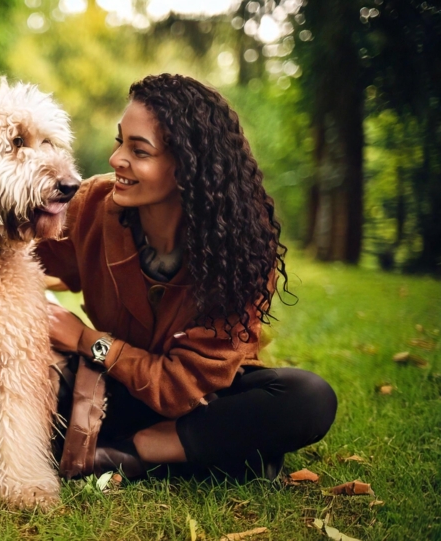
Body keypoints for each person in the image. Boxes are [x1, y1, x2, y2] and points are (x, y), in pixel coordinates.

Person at [36, 73, 337, 481]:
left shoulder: (242, 246)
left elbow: (182, 387)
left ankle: (134, 453)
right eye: (119, 141)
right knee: (34, 385)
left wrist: (87, 339)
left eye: (138, 151)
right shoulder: (93, 205)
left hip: (199, 399)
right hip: (112, 389)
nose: (116, 159)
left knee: (308, 398)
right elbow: (22, 258)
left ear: (186, 167)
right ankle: (206, 454)